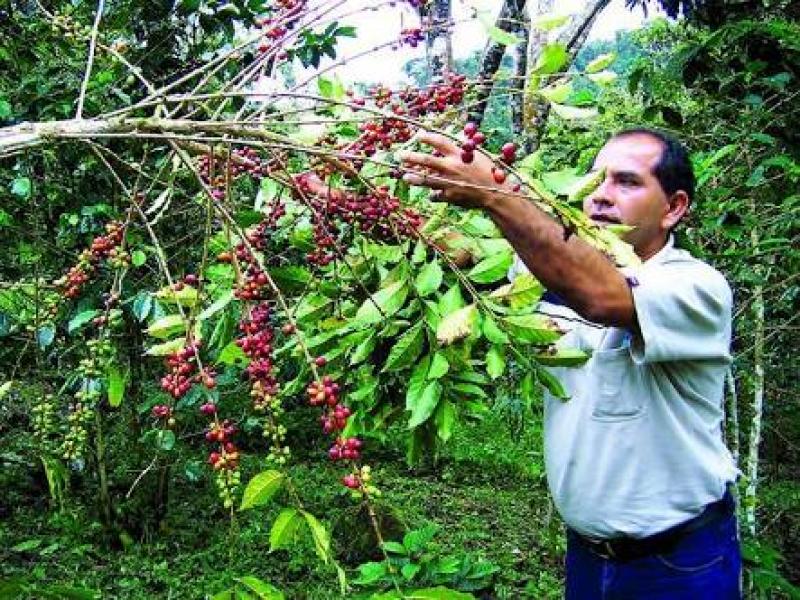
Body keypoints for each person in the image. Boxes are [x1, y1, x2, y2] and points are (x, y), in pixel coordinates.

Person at [399, 128, 741, 599]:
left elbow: (600, 296)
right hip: (586, 556)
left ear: (674, 207)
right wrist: (355, 193)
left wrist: (496, 193)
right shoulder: (545, 267)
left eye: (627, 182)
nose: (601, 195)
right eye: (596, 180)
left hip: (679, 563)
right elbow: (466, 256)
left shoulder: (695, 287)